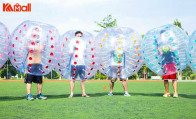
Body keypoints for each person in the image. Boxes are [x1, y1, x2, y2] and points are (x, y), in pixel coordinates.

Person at [25, 27, 47, 101]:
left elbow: (40, 49)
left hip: (38, 63)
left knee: (39, 81)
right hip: (30, 63)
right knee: (29, 80)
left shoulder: (40, 43)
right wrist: (34, 44)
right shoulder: (28, 42)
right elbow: (29, 48)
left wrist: (38, 43)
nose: (35, 35)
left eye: (37, 34)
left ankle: (39, 94)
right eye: (34, 33)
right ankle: (28, 95)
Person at [68, 31, 89, 98]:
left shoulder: (83, 43)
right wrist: (72, 51)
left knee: (83, 79)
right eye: (78, 36)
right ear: (75, 36)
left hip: (82, 63)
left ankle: (83, 93)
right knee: (73, 79)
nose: (79, 37)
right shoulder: (72, 42)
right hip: (74, 63)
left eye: (80, 36)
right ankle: (71, 93)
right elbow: (70, 53)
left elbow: (85, 53)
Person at [159, 30, 178, 98]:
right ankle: (167, 92)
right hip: (164, 63)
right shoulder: (160, 44)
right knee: (165, 79)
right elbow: (160, 53)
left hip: (172, 62)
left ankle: (175, 92)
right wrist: (160, 49)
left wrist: (169, 45)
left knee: (174, 78)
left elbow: (174, 50)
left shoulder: (171, 42)